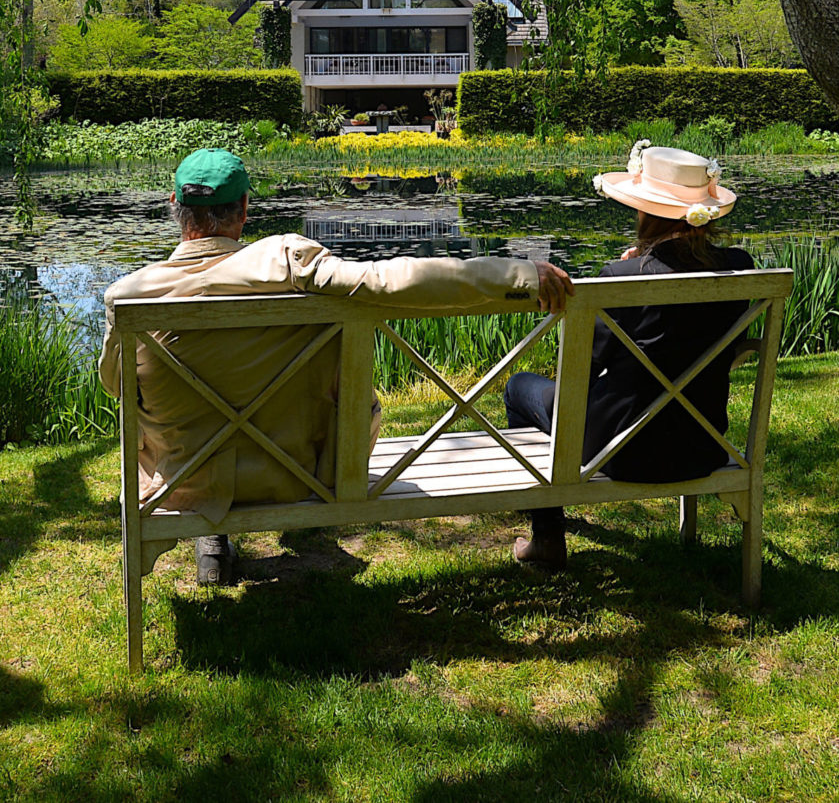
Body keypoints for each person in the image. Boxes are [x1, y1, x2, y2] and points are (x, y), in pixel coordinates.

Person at [100, 147, 574, 586]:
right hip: (301, 475)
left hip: (187, 485)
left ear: (174, 207)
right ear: (245, 210)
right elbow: (391, 280)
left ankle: (214, 538)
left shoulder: (128, 297)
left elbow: (116, 389)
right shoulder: (285, 262)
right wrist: (517, 273)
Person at [502, 142, 754, 570]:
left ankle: (547, 537)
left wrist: (632, 270)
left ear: (645, 210)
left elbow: (580, 370)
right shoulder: (741, 267)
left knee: (519, 388)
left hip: (621, 450)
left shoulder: (620, 277)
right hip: (704, 442)